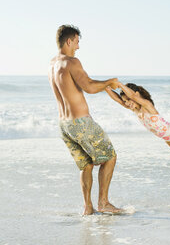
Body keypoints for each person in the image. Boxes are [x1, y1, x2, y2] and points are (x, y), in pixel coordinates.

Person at [48, 25, 122, 215]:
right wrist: (109, 82)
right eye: (77, 42)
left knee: (86, 164)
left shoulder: (52, 64)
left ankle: (88, 207)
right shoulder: (72, 62)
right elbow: (88, 86)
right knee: (110, 157)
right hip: (81, 123)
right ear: (69, 41)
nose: (78, 47)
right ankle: (103, 202)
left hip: (64, 126)